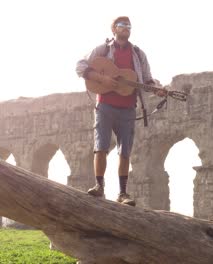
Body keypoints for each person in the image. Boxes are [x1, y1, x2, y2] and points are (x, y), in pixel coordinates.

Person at [76, 16, 166, 206]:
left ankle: (123, 193)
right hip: (105, 106)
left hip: (128, 107)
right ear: (114, 29)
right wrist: (101, 79)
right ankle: (99, 186)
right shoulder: (102, 49)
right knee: (101, 146)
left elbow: (146, 80)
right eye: (122, 25)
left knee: (125, 151)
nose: (126, 28)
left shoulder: (138, 54)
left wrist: (156, 88)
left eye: (129, 26)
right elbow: (80, 65)